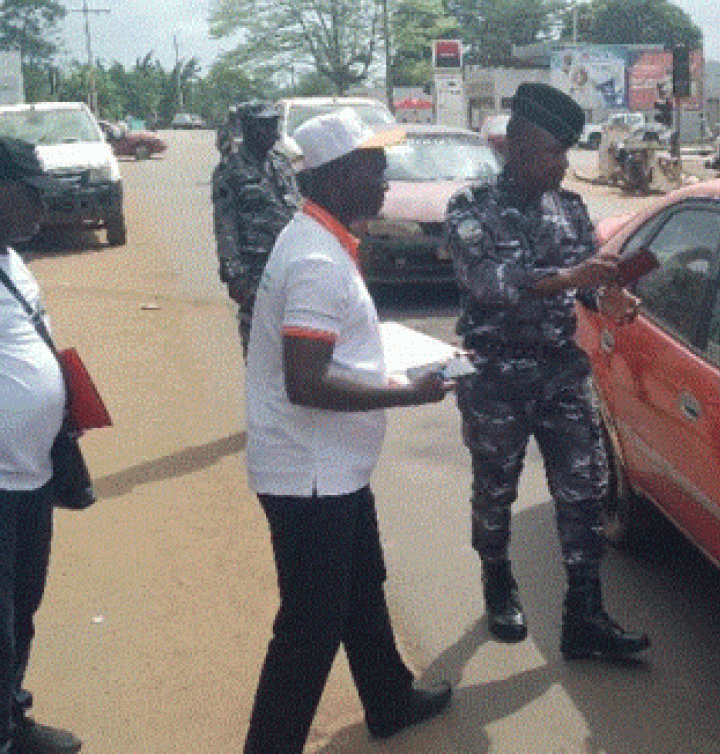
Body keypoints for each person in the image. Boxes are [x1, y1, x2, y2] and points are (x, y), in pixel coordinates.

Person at [242, 109, 452, 753]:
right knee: (309, 626)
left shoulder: (320, 241)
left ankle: (388, 697)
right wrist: (406, 393)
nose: (386, 178)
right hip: (310, 474)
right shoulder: (314, 259)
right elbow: (305, 382)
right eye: (372, 165)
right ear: (335, 176)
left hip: (330, 469)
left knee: (363, 581)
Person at [445, 82, 650, 660]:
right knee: (495, 489)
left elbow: (587, 292)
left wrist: (607, 300)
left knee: (584, 492)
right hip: (494, 378)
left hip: (560, 373)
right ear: (513, 144)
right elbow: (489, 286)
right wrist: (571, 279)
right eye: (550, 152)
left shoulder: (571, 208)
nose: (562, 164)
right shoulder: (470, 207)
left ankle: (584, 614)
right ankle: (498, 581)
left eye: (566, 152)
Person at [0, 137, 82, 754]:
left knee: (19, 613)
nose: (41, 208)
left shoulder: (11, 260)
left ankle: (9, 720)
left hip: (31, 476)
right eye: (29, 194)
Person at [211, 101, 301, 354]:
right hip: (256, 272)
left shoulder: (282, 164)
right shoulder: (230, 171)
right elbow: (224, 224)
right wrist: (235, 275)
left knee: (293, 347)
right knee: (259, 350)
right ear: (249, 129)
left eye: (274, 125)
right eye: (265, 126)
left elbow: (297, 208)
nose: (273, 133)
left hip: (289, 266)